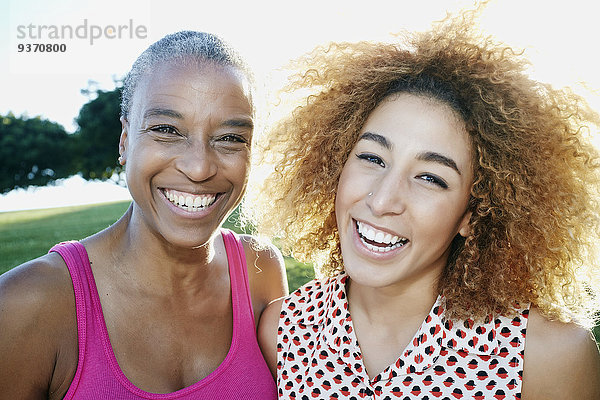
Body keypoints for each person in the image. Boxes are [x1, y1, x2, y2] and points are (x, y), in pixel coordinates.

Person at [251, 12, 600, 400]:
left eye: (430, 178)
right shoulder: (284, 330)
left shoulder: (547, 357)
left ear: (472, 214)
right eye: (372, 158)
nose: (382, 200)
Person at [0, 31, 287, 399]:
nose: (199, 167)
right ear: (124, 141)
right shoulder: (28, 305)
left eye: (230, 137)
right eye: (166, 130)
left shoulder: (259, 270)